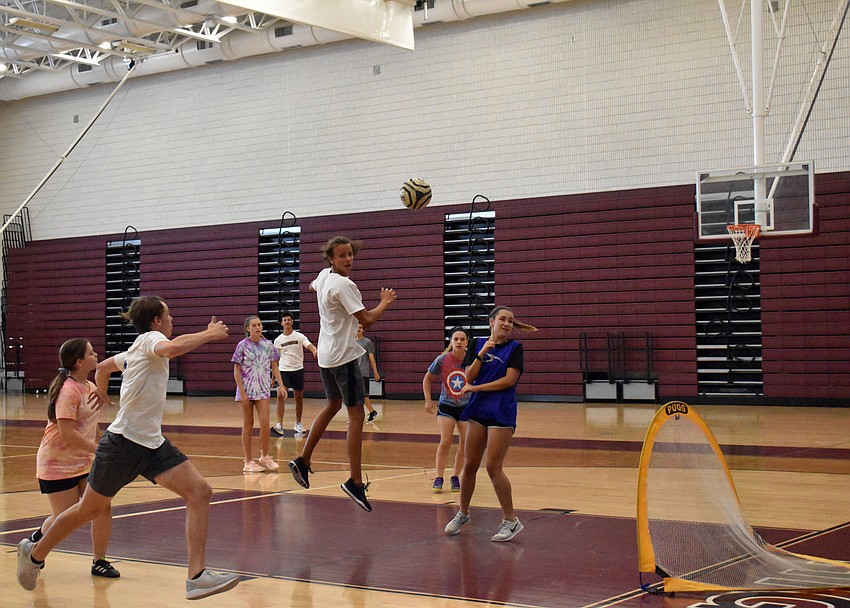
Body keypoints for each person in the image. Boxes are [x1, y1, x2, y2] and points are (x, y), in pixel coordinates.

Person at [16, 296, 240, 600]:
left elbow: (103, 367)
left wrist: (101, 391)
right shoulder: (151, 340)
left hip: (151, 444)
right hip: (123, 444)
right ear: (156, 321)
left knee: (200, 492)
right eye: (168, 315)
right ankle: (34, 554)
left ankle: (197, 577)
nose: (172, 319)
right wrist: (209, 335)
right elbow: (172, 348)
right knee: (87, 510)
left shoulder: (136, 349)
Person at [288, 236, 396, 512]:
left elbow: (311, 286)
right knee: (356, 415)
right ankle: (355, 481)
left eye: (350, 254)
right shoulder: (344, 285)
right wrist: (384, 302)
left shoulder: (324, 276)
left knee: (333, 404)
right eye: (342, 256)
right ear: (331, 259)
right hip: (343, 357)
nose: (348, 259)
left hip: (326, 355)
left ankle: (303, 459)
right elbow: (367, 319)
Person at [444, 306, 536, 542]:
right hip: (478, 410)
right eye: (503, 319)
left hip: (501, 410)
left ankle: (511, 521)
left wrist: (477, 389)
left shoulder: (515, 348)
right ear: (492, 322)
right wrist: (481, 353)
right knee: (469, 465)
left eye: (510, 321)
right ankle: (463, 513)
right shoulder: (477, 343)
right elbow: (468, 376)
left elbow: (509, 380)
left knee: (493, 467)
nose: (507, 323)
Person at [31, 338, 119, 579]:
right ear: (79, 362)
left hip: (84, 461)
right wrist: (98, 450)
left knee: (102, 507)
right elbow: (67, 433)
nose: (96, 355)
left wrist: (102, 445)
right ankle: (35, 541)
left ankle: (99, 561)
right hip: (57, 463)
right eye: (91, 353)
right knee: (67, 517)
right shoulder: (68, 391)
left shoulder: (90, 387)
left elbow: (90, 424)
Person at [232, 315, 284, 473]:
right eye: (254, 325)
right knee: (248, 424)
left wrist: (281, 385)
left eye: (259, 324)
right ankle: (248, 461)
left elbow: (274, 366)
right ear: (248, 328)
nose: (257, 327)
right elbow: (236, 371)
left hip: (262, 389)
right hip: (246, 390)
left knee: (265, 423)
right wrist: (242, 392)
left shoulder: (268, 345)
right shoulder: (242, 345)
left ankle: (265, 456)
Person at [422, 327, 470, 493]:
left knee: (464, 443)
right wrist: (428, 400)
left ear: (467, 342)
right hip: (447, 405)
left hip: (466, 406)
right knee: (446, 440)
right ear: (451, 342)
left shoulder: (472, 360)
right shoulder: (442, 359)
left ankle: (456, 476)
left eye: (462, 339)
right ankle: (439, 476)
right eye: (456, 339)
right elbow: (427, 379)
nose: (459, 342)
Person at [272, 311, 317, 436]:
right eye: (284, 320)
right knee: (280, 395)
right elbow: (275, 361)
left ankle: (298, 423)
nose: (287, 322)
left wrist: (314, 350)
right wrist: (273, 377)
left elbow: (309, 345)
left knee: (298, 397)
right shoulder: (278, 340)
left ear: (292, 322)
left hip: (298, 370)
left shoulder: (299, 336)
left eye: (289, 320)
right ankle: (279, 424)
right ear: (281, 323)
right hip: (283, 370)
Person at [355, 323, 380, 423]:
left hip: (362, 372)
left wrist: (375, 372)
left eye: (360, 328)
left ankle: (369, 412)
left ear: (363, 330)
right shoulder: (351, 341)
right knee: (356, 396)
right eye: (356, 328)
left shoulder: (367, 342)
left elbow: (371, 358)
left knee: (363, 395)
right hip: (352, 373)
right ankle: (369, 413)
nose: (358, 330)